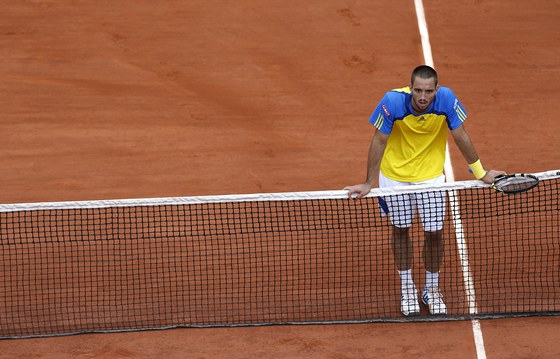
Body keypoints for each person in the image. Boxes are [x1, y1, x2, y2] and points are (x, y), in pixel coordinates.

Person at [344, 65, 505, 316]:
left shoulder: (447, 100)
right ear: (410, 88)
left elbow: (460, 135)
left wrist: (481, 173)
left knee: (434, 234)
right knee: (401, 231)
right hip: (395, 178)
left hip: (430, 178)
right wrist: (368, 182)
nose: (422, 96)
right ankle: (407, 288)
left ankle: (431, 288)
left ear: (436, 90)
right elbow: (379, 140)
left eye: (428, 91)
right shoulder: (392, 102)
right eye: (418, 90)